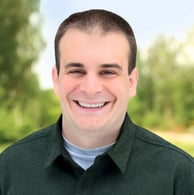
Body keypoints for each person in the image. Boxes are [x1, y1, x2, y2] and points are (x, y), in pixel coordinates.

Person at [0, 9, 193, 195]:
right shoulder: (8, 169)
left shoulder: (181, 177)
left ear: (132, 82)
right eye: (76, 71)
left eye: (108, 72)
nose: (91, 89)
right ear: (56, 80)